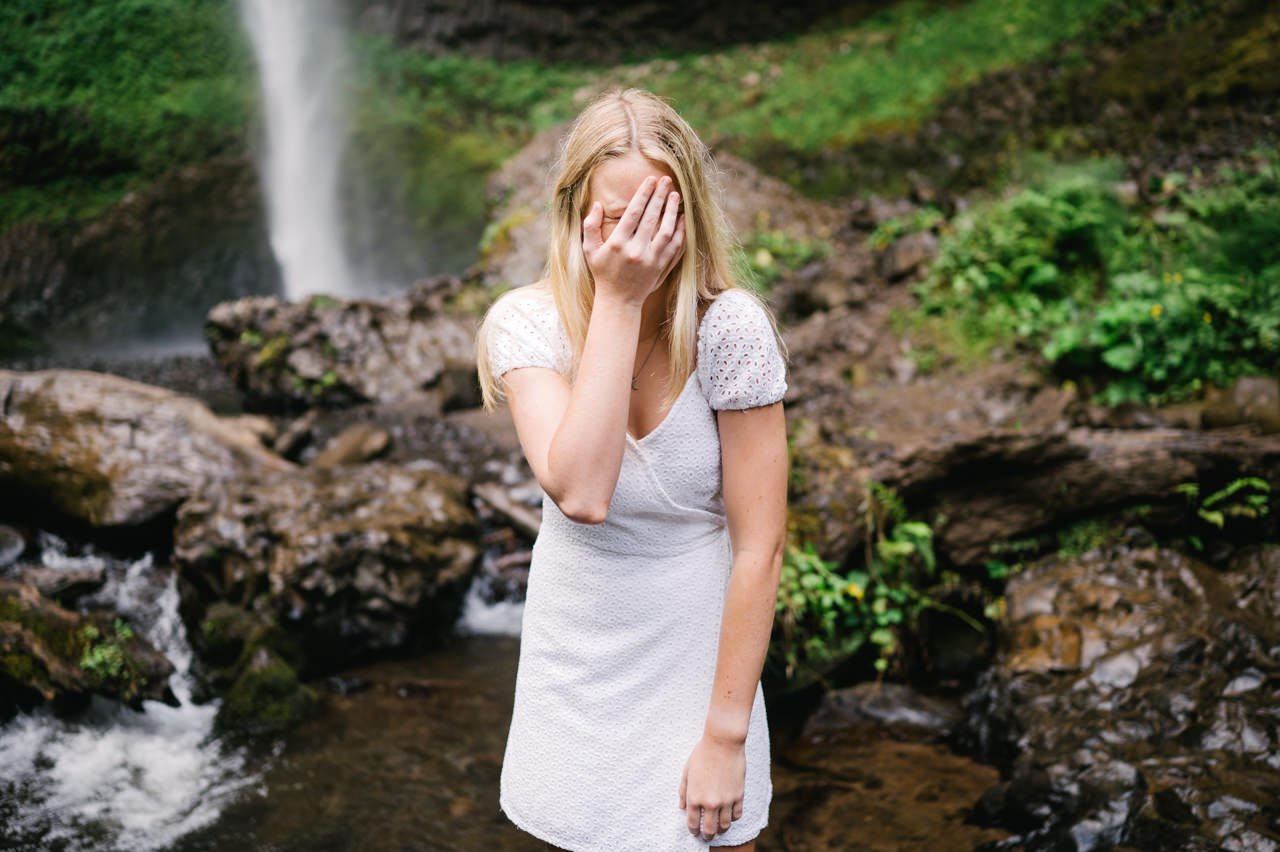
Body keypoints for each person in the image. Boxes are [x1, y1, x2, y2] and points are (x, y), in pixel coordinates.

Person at [475, 88, 788, 851]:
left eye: (657, 213)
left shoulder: (731, 330)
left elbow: (760, 547)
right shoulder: (528, 323)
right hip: (576, 664)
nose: (635, 239)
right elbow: (581, 491)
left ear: (690, 214)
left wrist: (724, 737)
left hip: (697, 662)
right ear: (573, 208)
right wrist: (617, 300)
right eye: (616, 217)